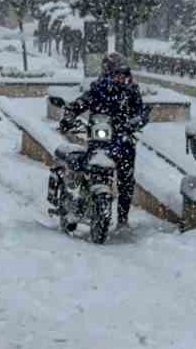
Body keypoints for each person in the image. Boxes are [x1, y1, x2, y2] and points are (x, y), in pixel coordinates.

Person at [60, 53, 147, 228]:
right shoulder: (98, 89)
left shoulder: (131, 92)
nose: (120, 77)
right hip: (99, 138)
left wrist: (135, 122)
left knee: (126, 180)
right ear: (107, 73)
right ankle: (75, 200)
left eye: (123, 74)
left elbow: (141, 112)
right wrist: (69, 115)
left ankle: (123, 219)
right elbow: (81, 103)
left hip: (123, 139)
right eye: (116, 73)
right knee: (84, 166)